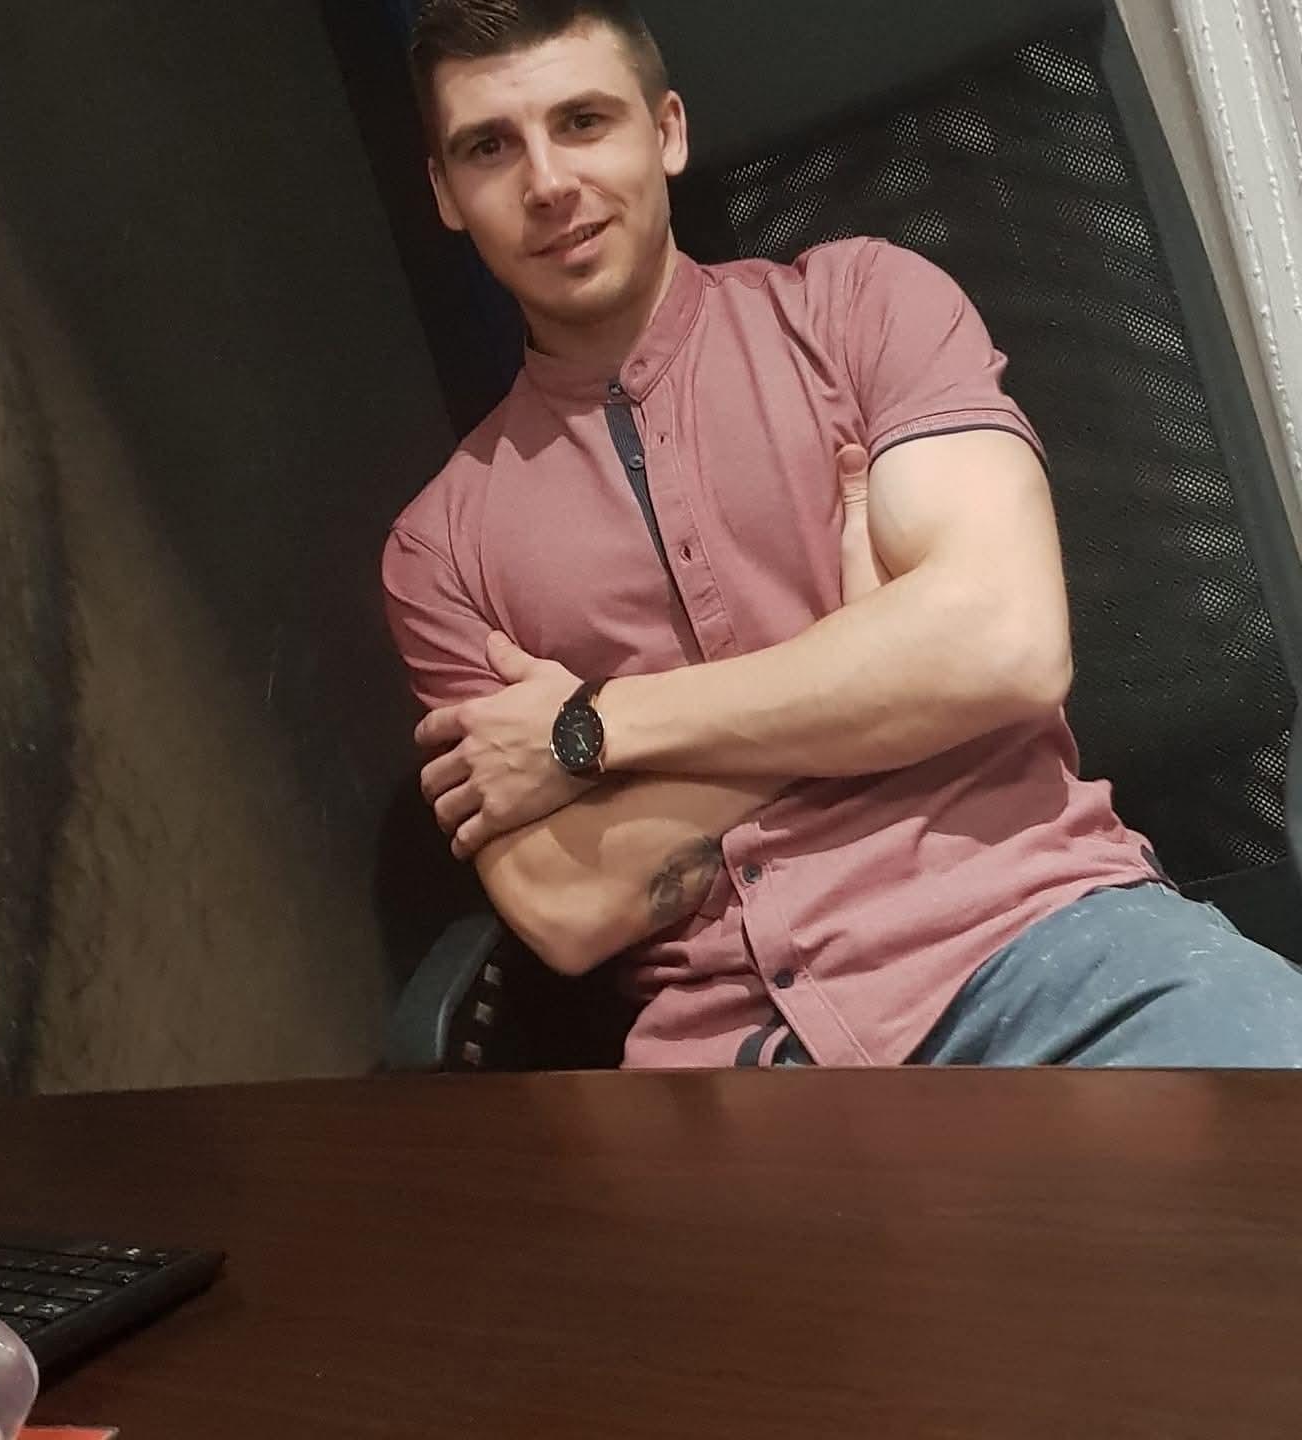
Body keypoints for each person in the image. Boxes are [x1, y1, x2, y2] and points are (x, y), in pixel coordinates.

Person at [381, 0, 1302, 1068]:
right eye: (490, 148)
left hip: (1045, 946)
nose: (547, 182)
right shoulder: (439, 550)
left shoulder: (863, 309)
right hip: (734, 1053)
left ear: (666, 131)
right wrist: (864, 668)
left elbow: (1003, 648)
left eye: (583, 121)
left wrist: (591, 729)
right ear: (446, 193)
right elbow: (564, 907)